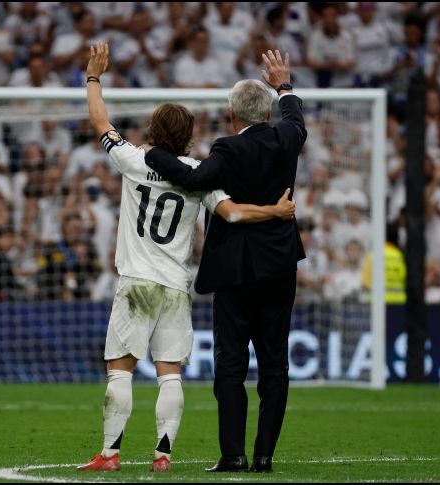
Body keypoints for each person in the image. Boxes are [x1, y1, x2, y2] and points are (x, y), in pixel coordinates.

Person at [78, 42, 297, 473]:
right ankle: (163, 456)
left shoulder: (133, 160)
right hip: (176, 286)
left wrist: (93, 76)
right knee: (170, 373)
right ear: (188, 135)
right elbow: (233, 213)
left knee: (120, 369)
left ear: (153, 130)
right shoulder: (201, 176)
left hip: (137, 281)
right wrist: (274, 210)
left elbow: (100, 120)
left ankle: (110, 453)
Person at [144, 49, 306, 473]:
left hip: (234, 272)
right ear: (267, 110)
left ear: (232, 115)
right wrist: (283, 83)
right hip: (279, 267)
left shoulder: (227, 149)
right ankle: (265, 456)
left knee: (230, 365)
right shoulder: (287, 138)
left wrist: (151, 155)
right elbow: (296, 120)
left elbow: (195, 179)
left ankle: (233, 454)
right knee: (275, 363)